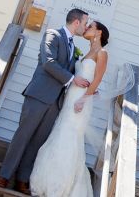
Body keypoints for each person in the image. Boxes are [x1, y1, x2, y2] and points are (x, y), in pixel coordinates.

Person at [0, 8, 92, 194]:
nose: (86, 27)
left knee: (38, 142)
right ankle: (5, 175)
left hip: (56, 103)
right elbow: (48, 62)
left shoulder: (73, 46)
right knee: (23, 136)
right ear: (76, 22)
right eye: (85, 23)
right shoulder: (52, 34)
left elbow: (71, 70)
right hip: (39, 95)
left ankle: (22, 179)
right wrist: (73, 80)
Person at [30, 21, 110, 197]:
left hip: (80, 102)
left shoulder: (102, 53)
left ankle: (60, 187)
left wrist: (84, 99)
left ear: (99, 33)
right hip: (70, 100)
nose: (86, 28)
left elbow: (97, 79)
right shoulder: (87, 52)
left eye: (90, 27)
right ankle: (47, 180)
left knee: (69, 137)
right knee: (60, 134)